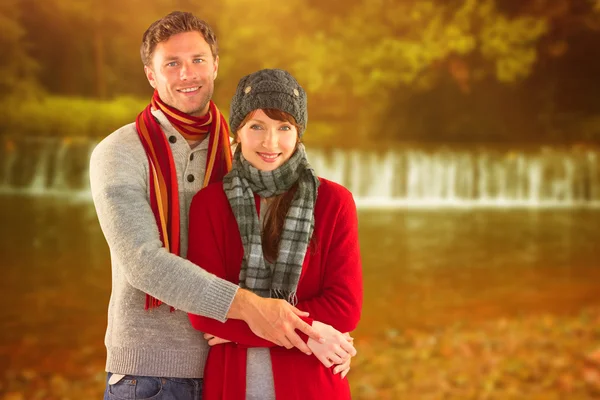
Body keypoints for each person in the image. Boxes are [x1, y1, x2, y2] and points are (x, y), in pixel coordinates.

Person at [90, 12, 326, 400]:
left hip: (236, 364)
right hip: (151, 374)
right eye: (172, 63)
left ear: (215, 64)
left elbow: (291, 252)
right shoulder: (119, 153)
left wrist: (323, 329)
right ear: (151, 74)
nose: (188, 74)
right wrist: (250, 308)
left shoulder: (250, 149)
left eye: (198, 60)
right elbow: (141, 262)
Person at [187, 69, 363, 399]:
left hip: (312, 384)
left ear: (298, 134)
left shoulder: (334, 203)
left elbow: (345, 307)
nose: (271, 142)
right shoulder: (208, 205)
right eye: (257, 126)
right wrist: (315, 333)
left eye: (284, 127)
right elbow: (203, 311)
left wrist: (238, 329)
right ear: (237, 132)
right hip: (233, 383)